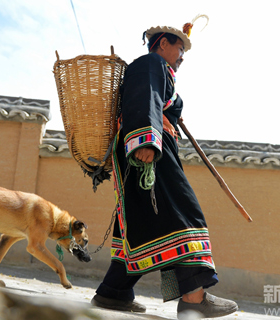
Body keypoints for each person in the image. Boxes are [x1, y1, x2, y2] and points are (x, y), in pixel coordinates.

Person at [91, 17, 238, 319]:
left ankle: (113, 292)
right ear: (162, 43)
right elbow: (142, 98)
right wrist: (145, 140)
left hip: (152, 147)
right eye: (180, 47)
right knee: (184, 211)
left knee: (142, 217)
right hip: (148, 149)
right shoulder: (149, 64)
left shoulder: (163, 73)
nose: (183, 55)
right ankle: (194, 299)